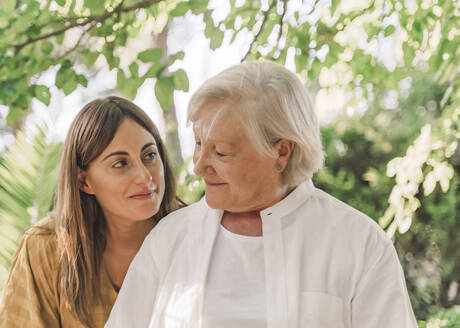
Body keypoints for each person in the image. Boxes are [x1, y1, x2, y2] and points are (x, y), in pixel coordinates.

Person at [106, 61, 418, 328]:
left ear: (282, 152)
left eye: (222, 153)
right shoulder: (169, 240)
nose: (199, 167)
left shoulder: (359, 244)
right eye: (199, 144)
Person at [0, 96, 181, 328]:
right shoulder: (46, 245)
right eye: (120, 163)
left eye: (149, 155)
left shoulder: (194, 236)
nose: (145, 176)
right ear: (84, 181)